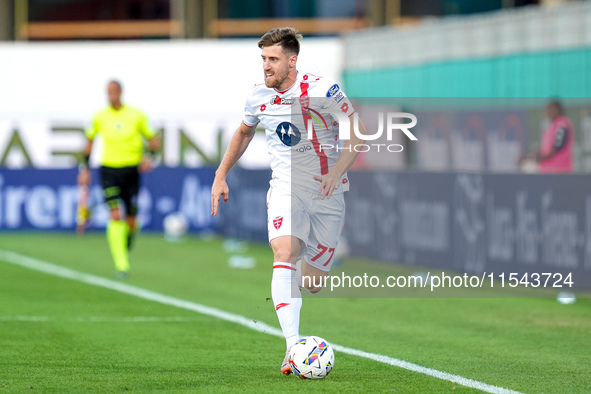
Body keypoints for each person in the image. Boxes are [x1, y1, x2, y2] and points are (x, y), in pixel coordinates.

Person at [211, 27, 365, 375]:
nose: (266, 66)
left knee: (311, 282)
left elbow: (357, 133)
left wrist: (336, 172)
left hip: (327, 192)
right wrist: (221, 175)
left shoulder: (323, 90)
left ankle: (298, 329)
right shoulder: (257, 96)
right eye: (263, 58)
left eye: (273, 59)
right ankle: (293, 346)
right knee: (284, 252)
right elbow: (244, 132)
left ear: (292, 61)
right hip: (285, 187)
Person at [78, 80, 160, 279]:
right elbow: (90, 142)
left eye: (114, 91)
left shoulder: (136, 115)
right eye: (108, 92)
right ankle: (121, 264)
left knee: (131, 220)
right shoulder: (100, 116)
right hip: (109, 171)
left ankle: (127, 240)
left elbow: (154, 140)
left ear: (120, 92)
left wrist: (151, 159)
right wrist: (85, 169)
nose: (111, 95)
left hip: (132, 171)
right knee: (115, 213)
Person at [519, 99, 574, 173]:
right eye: (547, 109)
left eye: (551, 108)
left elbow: (555, 149)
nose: (548, 111)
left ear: (558, 110)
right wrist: (529, 155)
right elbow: (545, 150)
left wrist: (532, 158)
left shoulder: (561, 125)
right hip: (548, 169)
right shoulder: (551, 125)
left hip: (559, 170)